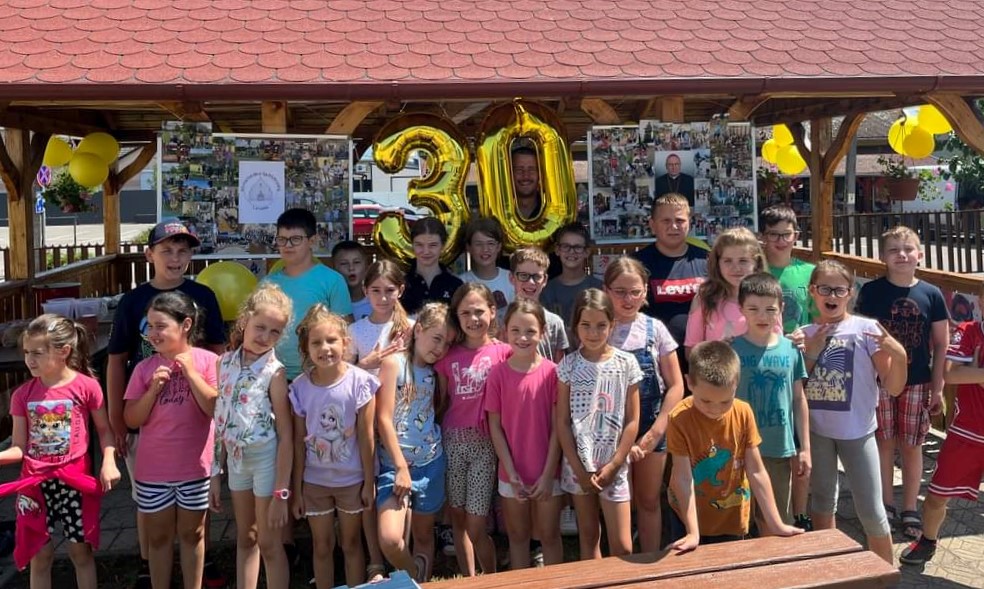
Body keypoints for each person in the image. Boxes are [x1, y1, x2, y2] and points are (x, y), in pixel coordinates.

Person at [105, 220, 226, 589]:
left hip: (195, 426)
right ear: (149, 254)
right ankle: (149, 566)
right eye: (167, 250)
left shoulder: (203, 295)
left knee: (194, 520)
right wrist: (117, 422)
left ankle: (198, 567)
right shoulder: (132, 301)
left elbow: (220, 355)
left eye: (182, 250)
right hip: (146, 417)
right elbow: (116, 360)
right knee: (148, 504)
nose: (175, 257)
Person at [799, 260, 907, 564]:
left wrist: (899, 356)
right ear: (812, 291)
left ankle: (885, 575)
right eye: (824, 289)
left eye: (839, 289)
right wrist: (810, 351)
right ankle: (831, 570)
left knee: (871, 511)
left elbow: (894, 387)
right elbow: (797, 387)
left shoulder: (867, 330)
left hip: (858, 433)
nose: (831, 295)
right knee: (822, 504)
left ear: (850, 293)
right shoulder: (803, 333)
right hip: (817, 432)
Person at [0, 315, 120, 587]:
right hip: (35, 484)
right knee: (40, 555)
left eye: (37, 353)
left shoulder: (87, 386)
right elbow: (18, 447)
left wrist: (109, 461)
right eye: (27, 352)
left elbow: (104, 430)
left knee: (81, 552)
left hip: (75, 483)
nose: (29, 360)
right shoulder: (22, 395)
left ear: (64, 351)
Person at [856, 226, 949, 540]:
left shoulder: (932, 294)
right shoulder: (871, 292)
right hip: (880, 379)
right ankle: (886, 503)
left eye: (908, 249)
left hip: (919, 381)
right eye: (894, 250)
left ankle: (910, 506)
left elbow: (941, 343)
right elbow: (862, 337)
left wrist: (938, 387)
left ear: (919, 255)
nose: (902, 255)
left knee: (912, 445)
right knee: (883, 441)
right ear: (882, 256)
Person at [123, 292, 220, 589]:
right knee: (158, 537)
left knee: (193, 534)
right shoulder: (143, 369)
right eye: (149, 326)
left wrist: (190, 373)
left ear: (186, 325)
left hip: (196, 469)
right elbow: (132, 419)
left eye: (161, 326)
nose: (153, 333)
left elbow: (215, 408)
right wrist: (152, 390)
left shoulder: (209, 362)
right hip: (153, 471)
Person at [666, 341, 802, 552]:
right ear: (689, 383)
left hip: (732, 514)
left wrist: (776, 523)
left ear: (736, 385)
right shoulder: (678, 418)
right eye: (705, 401)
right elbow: (683, 478)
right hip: (687, 517)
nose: (715, 410)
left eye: (725, 402)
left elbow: (756, 471)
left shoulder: (743, 412)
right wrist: (693, 533)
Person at [208, 284, 293, 589]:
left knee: (269, 542)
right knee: (246, 537)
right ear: (245, 320)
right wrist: (215, 474)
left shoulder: (275, 372)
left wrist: (281, 493)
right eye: (260, 327)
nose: (265, 336)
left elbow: (286, 434)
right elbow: (219, 422)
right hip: (236, 463)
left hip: (265, 461)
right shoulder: (223, 363)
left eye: (274, 332)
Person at [288, 306, 378, 589]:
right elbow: (298, 441)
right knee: (322, 546)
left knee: (351, 543)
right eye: (316, 343)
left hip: (351, 481)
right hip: (314, 483)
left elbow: (367, 436)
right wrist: (297, 489)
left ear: (345, 342)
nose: (325, 348)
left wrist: (368, 482)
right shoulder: (300, 388)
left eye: (331, 340)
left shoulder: (360, 382)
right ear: (305, 348)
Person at [601, 258, 683, 552]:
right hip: (609, 431)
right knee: (618, 500)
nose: (628, 299)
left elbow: (676, 385)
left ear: (645, 291)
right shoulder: (600, 329)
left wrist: (656, 432)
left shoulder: (655, 329)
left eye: (635, 292)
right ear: (606, 290)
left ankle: (648, 561)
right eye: (620, 292)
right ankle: (620, 563)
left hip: (651, 427)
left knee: (648, 500)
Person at [556, 289, 641, 559]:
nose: (593, 333)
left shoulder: (626, 363)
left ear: (612, 325)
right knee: (589, 534)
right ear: (575, 327)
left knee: (623, 546)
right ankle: (593, 579)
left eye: (601, 325)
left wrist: (615, 464)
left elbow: (633, 420)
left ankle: (620, 579)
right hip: (578, 466)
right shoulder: (568, 366)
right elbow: (562, 422)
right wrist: (579, 469)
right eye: (586, 325)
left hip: (614, 464)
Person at [435, 284, 510, 576]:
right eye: (465, 313)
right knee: (458, 517)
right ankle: (469, 579)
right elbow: (442, 401)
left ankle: (491, 577)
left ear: (492, 311)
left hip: (485, 446)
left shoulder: (503, 352)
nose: (473, 318)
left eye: (479, 311)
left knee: (476, 524)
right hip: (453, 442)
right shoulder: (447, 356)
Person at [376, 303, 454, 582]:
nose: (440, 348)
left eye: (447, 343)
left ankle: (420, 584)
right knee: (390, 539)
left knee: (423, 537)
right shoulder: (393, 364)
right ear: (418, 329)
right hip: (394, 466)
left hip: (431, 463)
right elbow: (383, 419)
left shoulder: (437, 373)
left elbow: (438, 410)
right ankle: (412, 574)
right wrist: (400, 467)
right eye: (436, 338)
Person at [486, 300, 564, 568]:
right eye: (516, 330)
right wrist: (511, 472)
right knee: (518, 537)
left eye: (530, 331)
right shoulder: (497, 375)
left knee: (549, 536)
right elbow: (495, 426)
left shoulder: (553, 373)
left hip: (548, 474)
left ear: (543, 332)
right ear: (504, 331)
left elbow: (558, 427)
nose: (522, 337)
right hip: (512, 475)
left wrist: (548, 474)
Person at [901, 317, 984, 565]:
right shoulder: (969, 330)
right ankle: (928, 541)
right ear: (981, 301)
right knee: (936, 496)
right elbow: (951, 374)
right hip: (966, 433)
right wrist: (970, 374)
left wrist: (974, 372)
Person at [731, 273, 810, 529]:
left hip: (778, 448)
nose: (762, 316)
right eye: (753, 309)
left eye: (770, 309)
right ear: (741, 308)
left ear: (781, 309)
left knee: (774, 521)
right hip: (737, 450)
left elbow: (799, 399)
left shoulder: (791, 349)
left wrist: (805, 448)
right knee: (737, 522)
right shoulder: (731, 350)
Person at [266, 208, 353, 382]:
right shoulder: (267, 283)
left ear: (312, 240)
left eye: (295, 239)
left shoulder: (332, 280)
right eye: (282, 239)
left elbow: (345, 330)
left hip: (318, 375)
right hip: (274, 375)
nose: (288, 245)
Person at [632, 193, 708, 363]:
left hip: (700, 358)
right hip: (653, 359)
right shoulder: (635, 264)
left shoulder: (707, 261)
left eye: (680, 220)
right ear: (652, 225)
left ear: (689, 223)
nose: (673, 226)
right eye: (666, 221)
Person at [684, 227, 771, 356]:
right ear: (717, 263)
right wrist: (716, 350)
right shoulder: (704, 298)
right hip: (718, 368)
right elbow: (690, 352)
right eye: (727, 261)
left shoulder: (769, 297)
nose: (736, 268)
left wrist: (792, 343)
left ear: (756, 263)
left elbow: (777, 345)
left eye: (743, 261)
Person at [350, 260, 413, 376]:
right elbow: (344, 376)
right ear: (365, 291)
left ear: (400, 291)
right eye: (376, 290)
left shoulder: (411, 328)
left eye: (390, 290)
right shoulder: (355, 330)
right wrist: (365, 364)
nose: (383, 298)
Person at [759, 205, 816, 334]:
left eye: (786, 234)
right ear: (762, 236)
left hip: (800, 344)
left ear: (796, 236)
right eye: (773, 234)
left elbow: (817, 317)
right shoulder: (753, 272)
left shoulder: (811, 272)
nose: (781, 240)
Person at [508, 247, 570, 363]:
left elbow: (560, 367)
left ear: (545, 280)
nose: (531, 282)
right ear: (512, 278)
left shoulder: (555, 323)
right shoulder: (499, 319)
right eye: (523, 275)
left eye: (537, 277)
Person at [400, 217, 464, 316]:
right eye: (419, 245)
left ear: (442, 246)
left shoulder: (455, 285)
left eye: (433, 245)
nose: (426, 251)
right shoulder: (401, 285)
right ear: (412, 245)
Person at [542, 222, 602, 325]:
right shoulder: (547, 290)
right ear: (557, 250)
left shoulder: (599, 288)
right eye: (566, 246)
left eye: (577, 247)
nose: (571, 251)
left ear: (587, 252)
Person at [459, 217, 514, 318]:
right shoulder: (461, 283)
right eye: (478, 244)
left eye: (490, 243)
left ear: (499, 247)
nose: (485, 249)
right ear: (469, 247)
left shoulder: (511, 280)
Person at [333, 240, 372, 321]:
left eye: (356, 262)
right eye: (344, 263)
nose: (351, 268)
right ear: (333, 268)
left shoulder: (377, 302)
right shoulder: (329, 303)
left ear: (366, 266)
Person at [512, 146, 543, 220]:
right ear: (510, 173)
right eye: (519, 170)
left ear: (540, 174)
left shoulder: (551, 211)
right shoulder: (497, 213)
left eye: (531, 169)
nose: (526, 176)